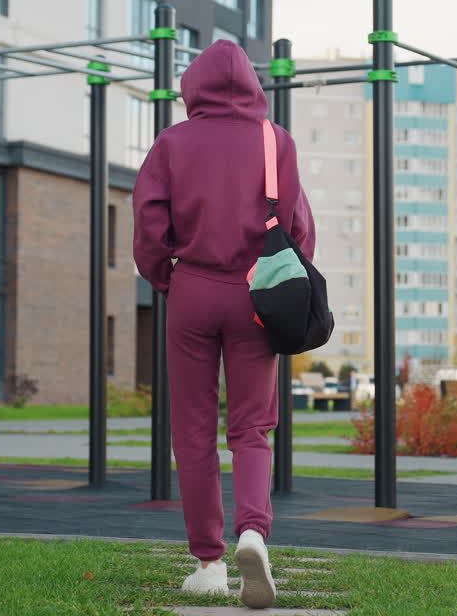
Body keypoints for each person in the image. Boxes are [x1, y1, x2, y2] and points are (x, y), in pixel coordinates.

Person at [133, 39, 315, 609]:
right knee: (251, 427)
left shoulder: (173, 141)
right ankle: (254, 533)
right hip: (254, 292)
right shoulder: (274, 141)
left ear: (195, 86)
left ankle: (208, 563)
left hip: (191, 289)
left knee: (192, 427)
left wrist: (167, 277)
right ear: (252, 87)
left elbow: (147, 221)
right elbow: (297, 225)